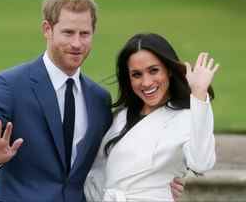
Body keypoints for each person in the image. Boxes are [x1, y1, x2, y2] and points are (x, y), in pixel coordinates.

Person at [0, 0, 183, 202]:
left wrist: (156, 181)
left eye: (84, 34)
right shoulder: (9, 85)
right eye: (68, 33)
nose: (77, 43)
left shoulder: (99, 98)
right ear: (47, 29)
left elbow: (110, 159)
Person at [84, 33, 218, 202]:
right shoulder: (121, 116)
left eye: (154, 70)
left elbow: (202, 163)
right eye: (136, 74)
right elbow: (99, 172)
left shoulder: (187, 117)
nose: (146, 82)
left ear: (168, 69)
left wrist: (198, 93)